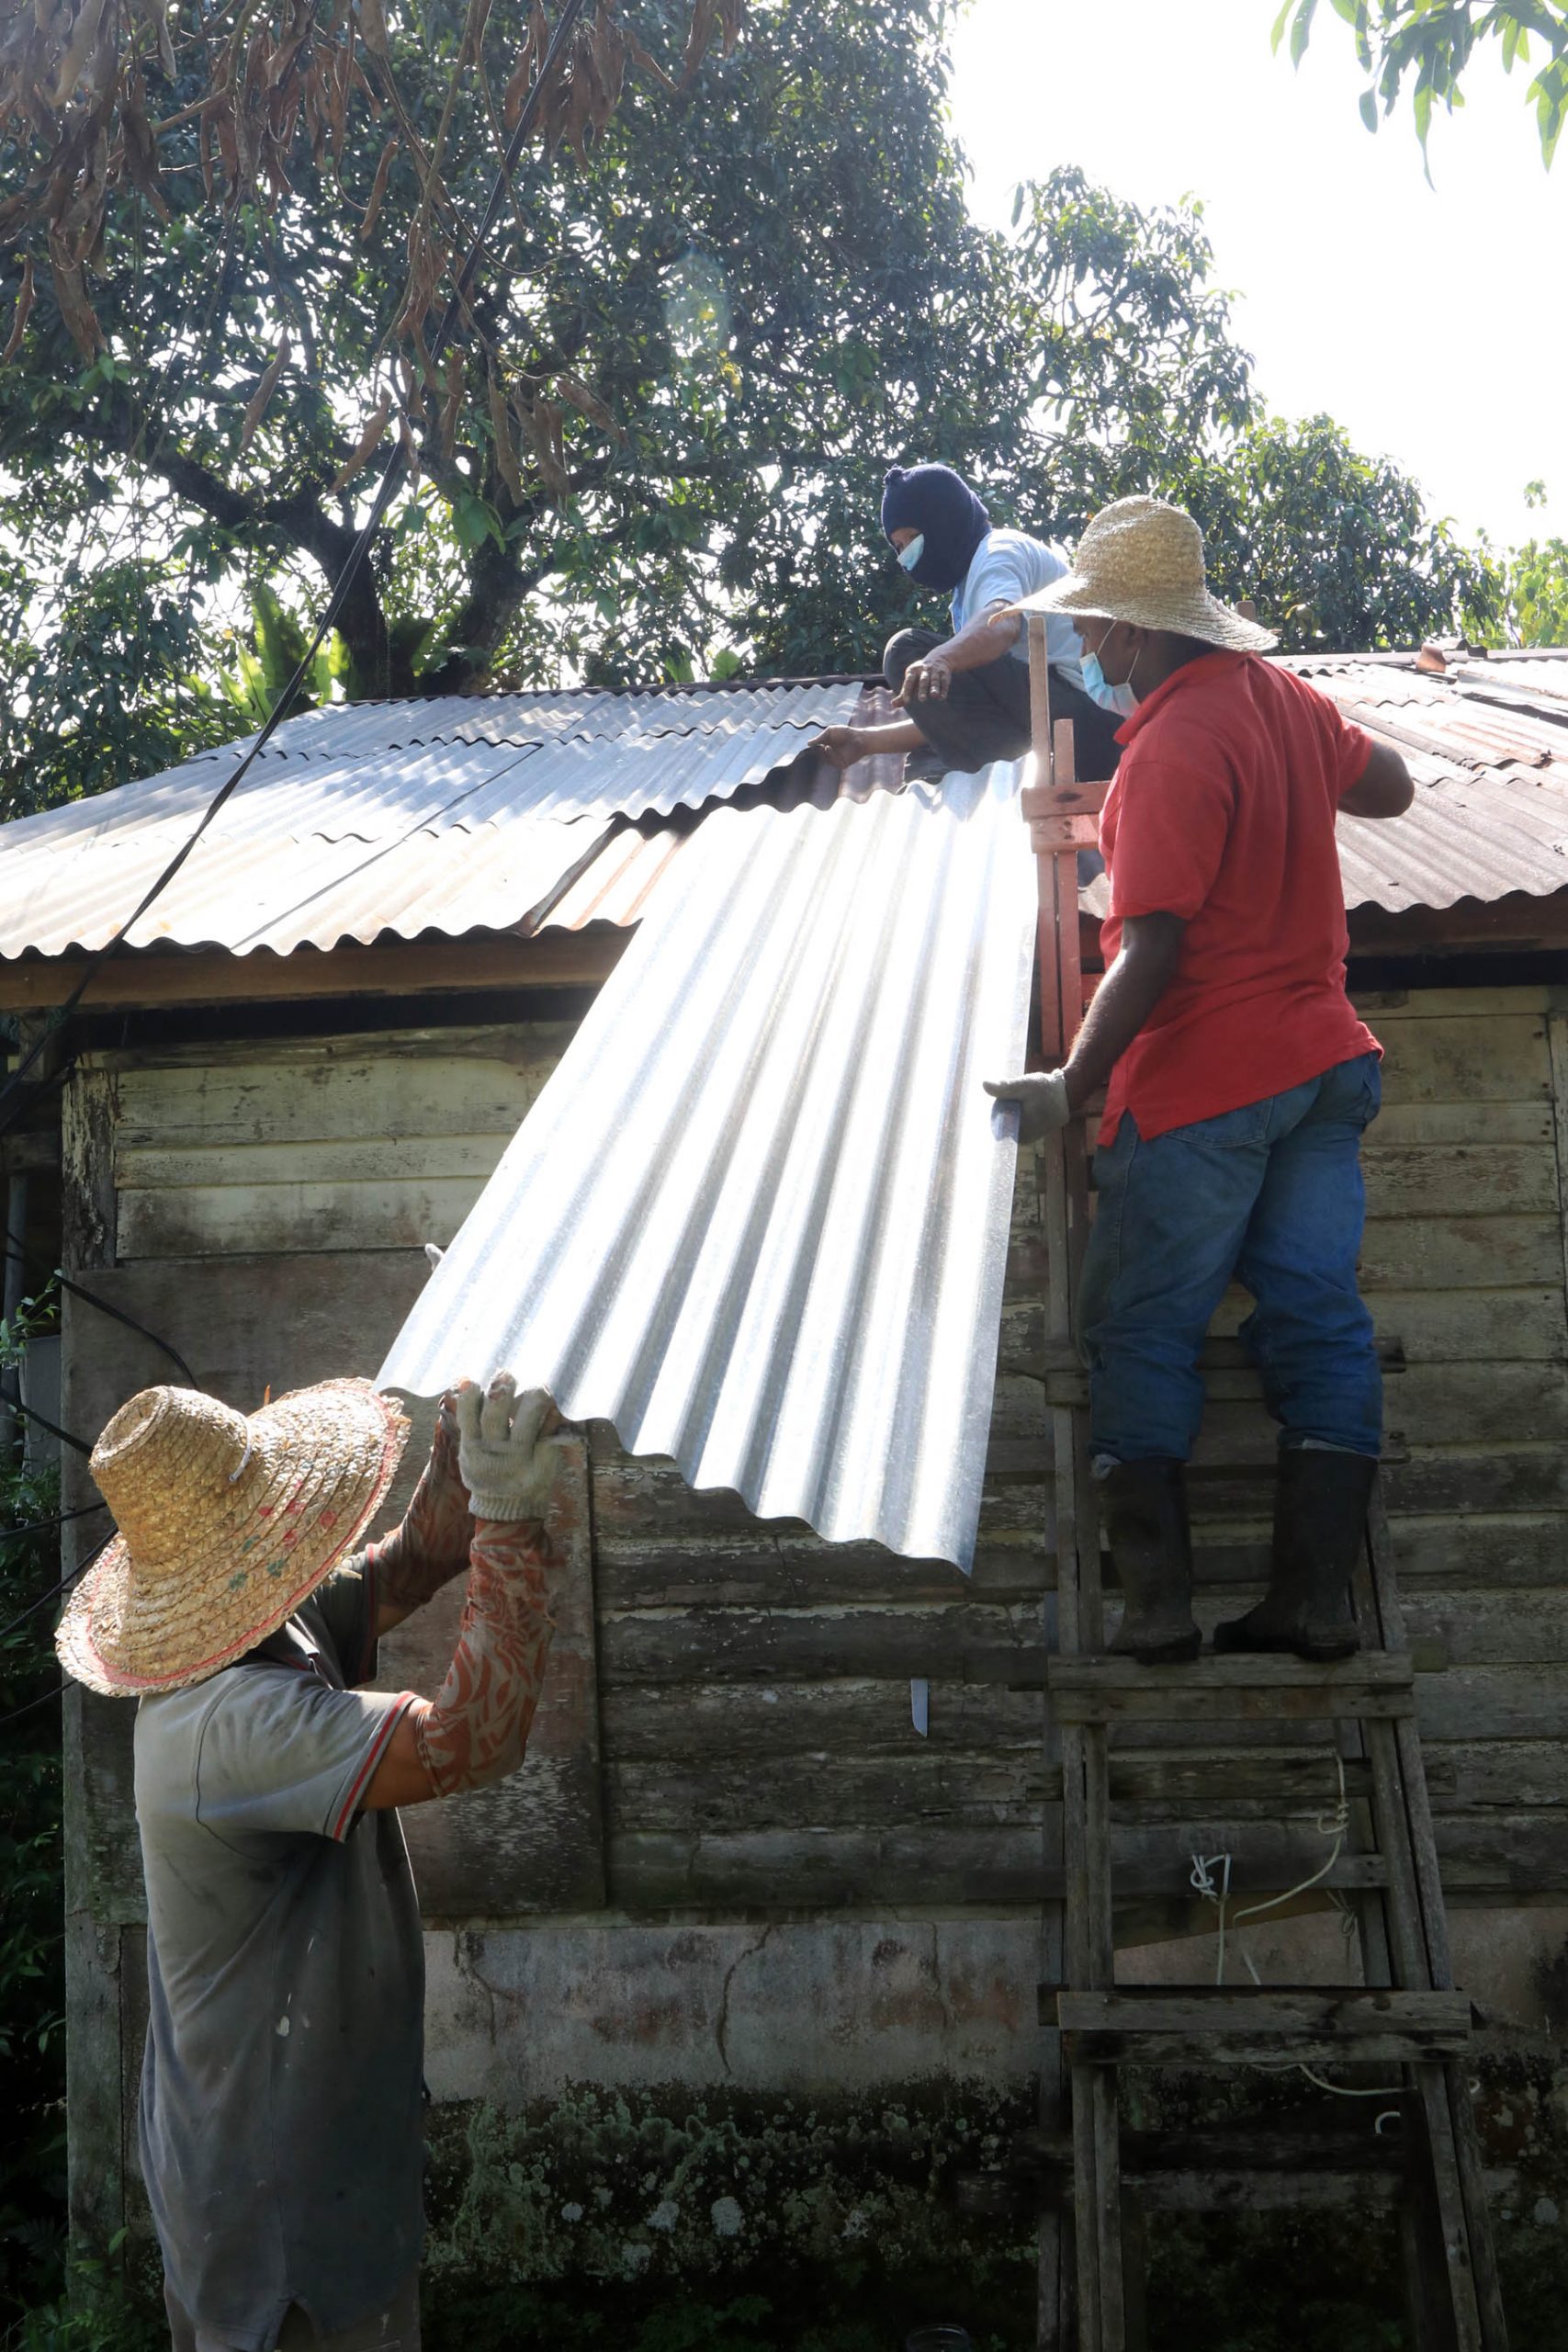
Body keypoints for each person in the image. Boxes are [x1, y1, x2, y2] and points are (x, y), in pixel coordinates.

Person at [983, 495, 1415, 1668]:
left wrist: (1071, 1084)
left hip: (1214, 1085)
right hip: (1323, 1071)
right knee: (1318, 1321)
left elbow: (1154, 948)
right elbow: (1394, 788)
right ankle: (1316, 1602)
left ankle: (1160, 1608)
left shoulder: (1170, 748)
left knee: (1137, 1328)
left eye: (1096, 631)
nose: (1088, 651)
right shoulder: (1280, 702)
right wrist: (1300, 768)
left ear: (1133, 631)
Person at [56, 1371, 565, 2352]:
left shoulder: (260, 1622)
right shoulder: (229, 1724)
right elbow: (470, 1739)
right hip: (271, 2190)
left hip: (269, 2138)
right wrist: (512, 1518)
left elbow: (411, 1564)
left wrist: (463, 1453)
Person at [809, 461, 1126, 782]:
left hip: (1090, 723)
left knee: (905, 650)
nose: (904, 556)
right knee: (928, 745)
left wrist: (940, 657)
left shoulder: (997, 553)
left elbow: (1003, 623)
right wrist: (865, 741)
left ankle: (999, 778)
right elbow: (967, 714)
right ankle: (989, 776)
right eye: (899, 547)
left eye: (911, 539)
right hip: (1063, 721)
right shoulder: (965, 595)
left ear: (942, 520)